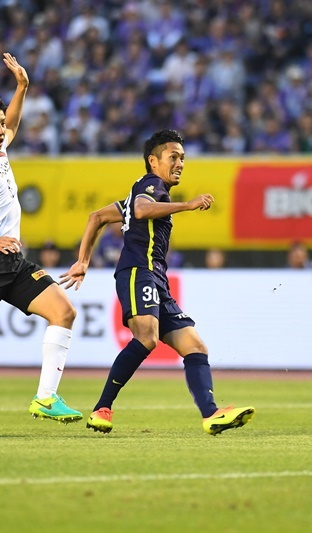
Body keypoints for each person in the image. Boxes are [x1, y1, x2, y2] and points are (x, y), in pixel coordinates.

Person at [60, 129, 254, 435]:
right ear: (154, 161)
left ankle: (211, 414)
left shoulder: (145, 192)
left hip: (155, 278)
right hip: (139, 271)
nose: (180, 163)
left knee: (195, 346)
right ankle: (102, 408)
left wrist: (83, 261)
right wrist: (188, 205)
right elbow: (141, 209)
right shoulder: (151, 185)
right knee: (147, 337)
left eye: (183, 158)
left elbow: (96, 217)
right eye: (173, 157)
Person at [0, 53, 82, 423]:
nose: (3, 129)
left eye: (1, 123)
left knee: (63, 311)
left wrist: (22, 86)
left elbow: (14, 123)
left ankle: (46, 398)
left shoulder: (0, 147)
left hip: (11, 263)